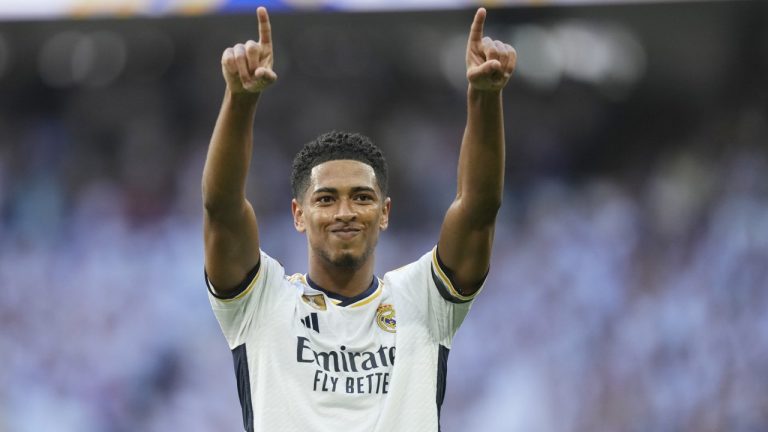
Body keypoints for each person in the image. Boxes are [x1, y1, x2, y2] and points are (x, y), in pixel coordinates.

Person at [202, 6, 516, 431]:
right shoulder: (263, 302)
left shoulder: (422, 300)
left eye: (362, 197)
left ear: (384, 213)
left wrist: (485, 96)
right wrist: (239, 100)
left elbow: (478, 211)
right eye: (326, 199)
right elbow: (222, 210)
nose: (345, 212)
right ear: (299, 214)